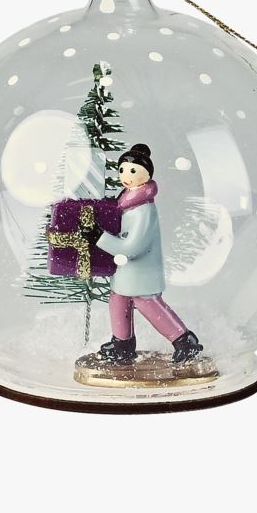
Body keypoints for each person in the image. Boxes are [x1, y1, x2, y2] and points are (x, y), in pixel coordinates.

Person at [84, 143, 203, 364]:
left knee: (148, 304)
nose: (125, 176)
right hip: (126, 271)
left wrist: (100, 237)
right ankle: (122, 344)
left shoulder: (143, 210)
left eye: (133, 171)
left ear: (147, 174)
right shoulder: (126, 202)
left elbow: (132, 247)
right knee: (118, 300)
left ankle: (184, 341)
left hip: (141, 271)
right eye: (122, 170)